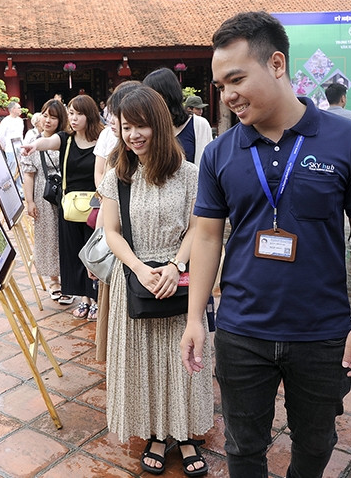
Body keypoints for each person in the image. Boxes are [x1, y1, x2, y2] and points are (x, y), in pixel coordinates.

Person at [180, 11, 351, 477]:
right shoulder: (219, 152)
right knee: (242, 446)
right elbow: (208, 235)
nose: (227, 95)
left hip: (322, 332)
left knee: (316, 443)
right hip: (241, 330)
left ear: (276, 64)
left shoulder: (349, 139)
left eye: (237, 79)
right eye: (221, 85)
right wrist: (195, 317)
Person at [99, 85, 213, 477]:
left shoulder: (189, 174)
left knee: (183, 359)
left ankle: (186, 434)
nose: (133, 135)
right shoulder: (118, 176)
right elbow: (111, 231)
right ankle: (156, 435)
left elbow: (198, 228)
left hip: (179, 278)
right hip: (136, 279)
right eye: (126, 127)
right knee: (143, 361)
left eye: (141, 126)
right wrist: (138, 268)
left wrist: (175, 265)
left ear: (160, 125)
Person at [22, 95, 103, 319]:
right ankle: (85, 299)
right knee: (75, 254)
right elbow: (47, 142)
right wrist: (33, 146)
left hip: (96, 206)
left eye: (79, 114)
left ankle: (97, 298)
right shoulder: (66, 139)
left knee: (94, 253)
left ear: (90, 116)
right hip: (70, 207)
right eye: (71, 113)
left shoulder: (102, 140)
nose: (74, 118)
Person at [92, 81, 140, 348]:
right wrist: (99, 246)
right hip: (121, 251)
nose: (111, 120)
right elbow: (107, 209)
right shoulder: (116, 158)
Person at [20, 99, 70, 304]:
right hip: (43, 195)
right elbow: (28, 174)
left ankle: (69, 280)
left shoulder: (66, 140)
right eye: (45, 115)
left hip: (65, 195)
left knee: (66, 236)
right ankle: (54, 281)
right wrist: (30, 201)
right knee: (48, 236)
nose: (48, 120)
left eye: (53, 117)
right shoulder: (33, 142)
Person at [143, 68, 211, 166]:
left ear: (169, 95)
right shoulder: (149, 128)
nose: (149, 102)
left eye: (154, 96)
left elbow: (206, 165)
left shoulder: (199, 125)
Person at [0, 101, 25, 184]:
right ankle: (12, 186)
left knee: (20, 168)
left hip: (20, 147)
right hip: (10, 148)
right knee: (12, 168)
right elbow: (1, 136)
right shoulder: (5, 121)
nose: (20, 109)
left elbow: (21, 135)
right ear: (13, 109)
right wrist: (4, 147)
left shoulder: (20, 120)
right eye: (18, 108)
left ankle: (20, 189)